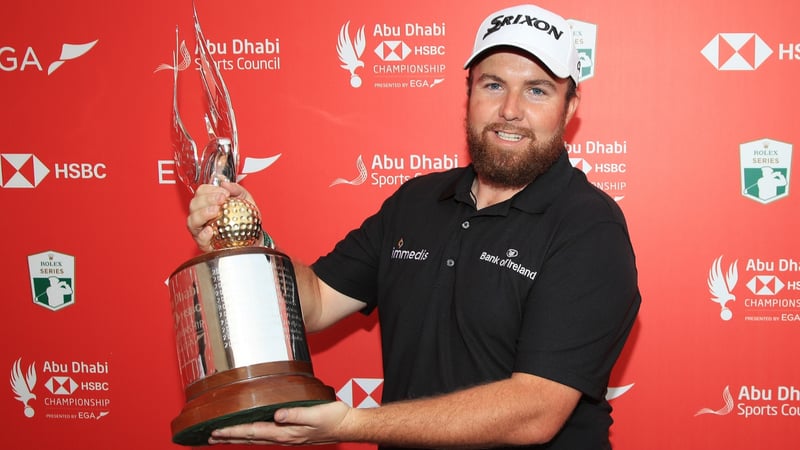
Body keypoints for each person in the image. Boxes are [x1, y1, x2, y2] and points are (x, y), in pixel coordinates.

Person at [187, 4, 641, 448]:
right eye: (493, 84)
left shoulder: (589, 228)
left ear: (570, 105)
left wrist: (352, 425)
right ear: (468, 93)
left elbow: (533, 411)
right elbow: (317, 303)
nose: (510, 109)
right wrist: (248, 243)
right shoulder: (418, 202)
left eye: (537, 90)